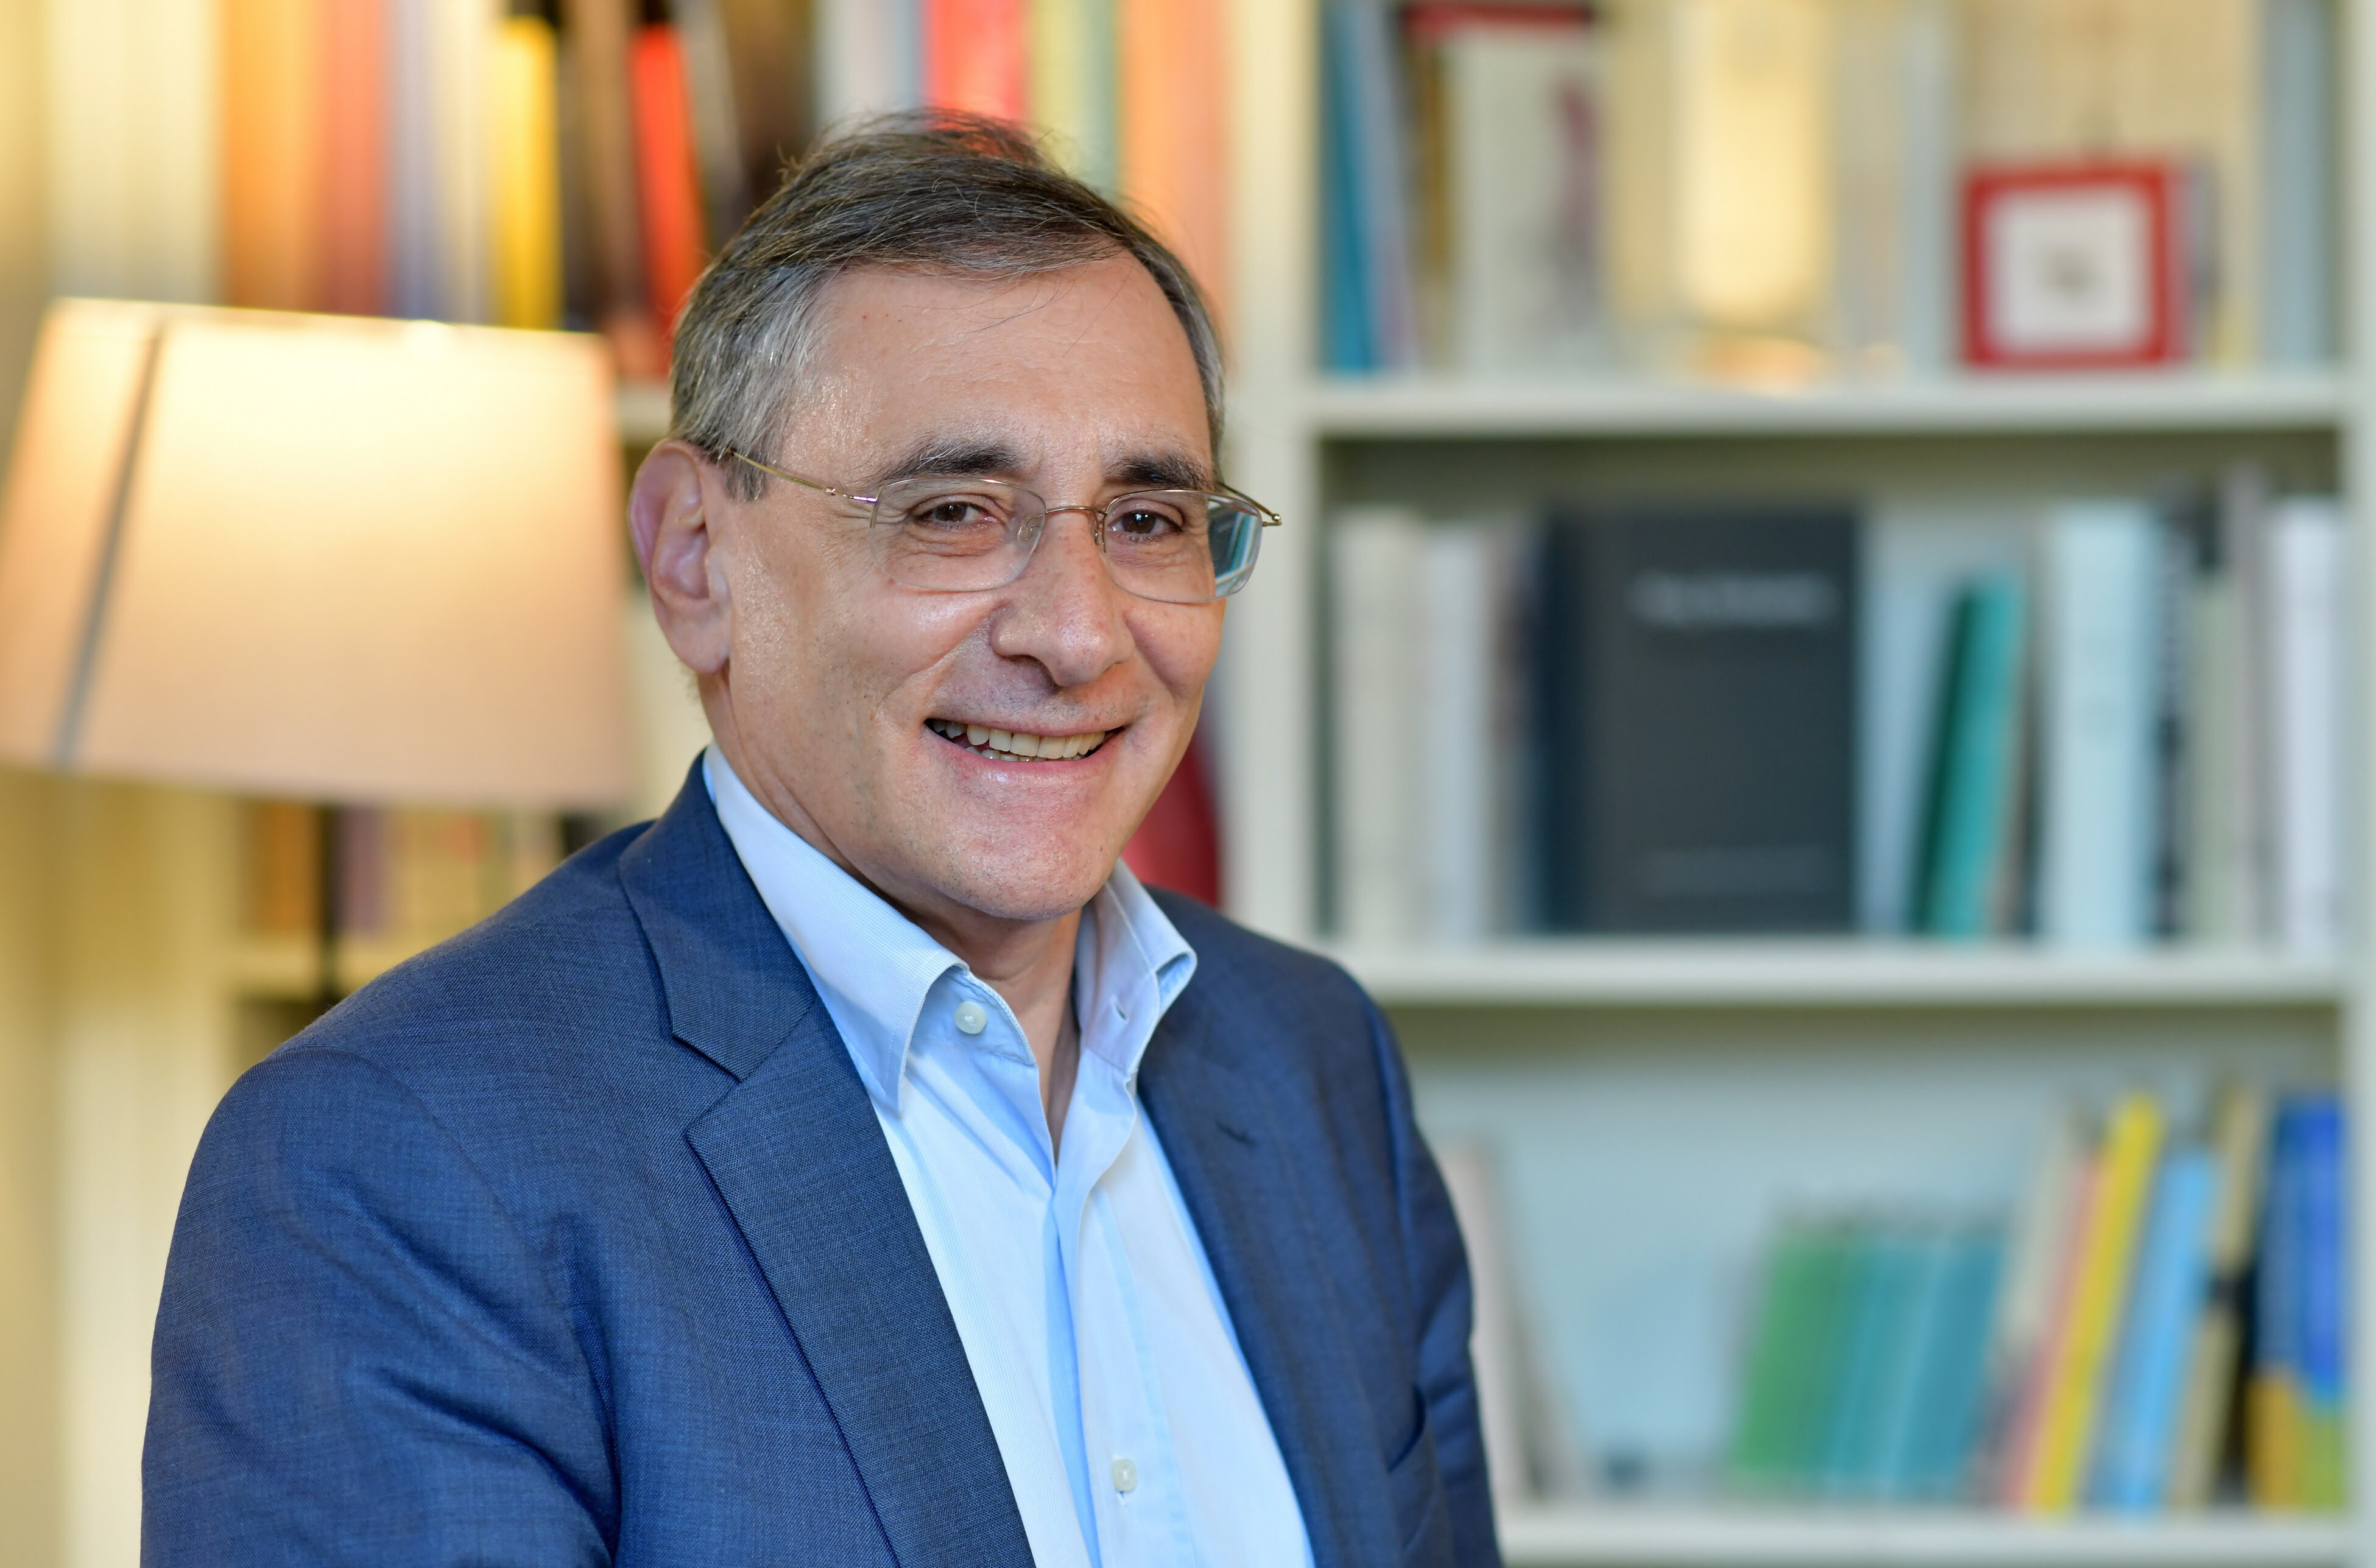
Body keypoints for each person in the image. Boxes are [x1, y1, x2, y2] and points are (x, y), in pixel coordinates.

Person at [143, 114, 1499, 1567]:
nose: (1079, 634)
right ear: (694, 557)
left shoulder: (1313, 1063)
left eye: (1150, 519)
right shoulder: (401, 1160)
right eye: (954, 512)